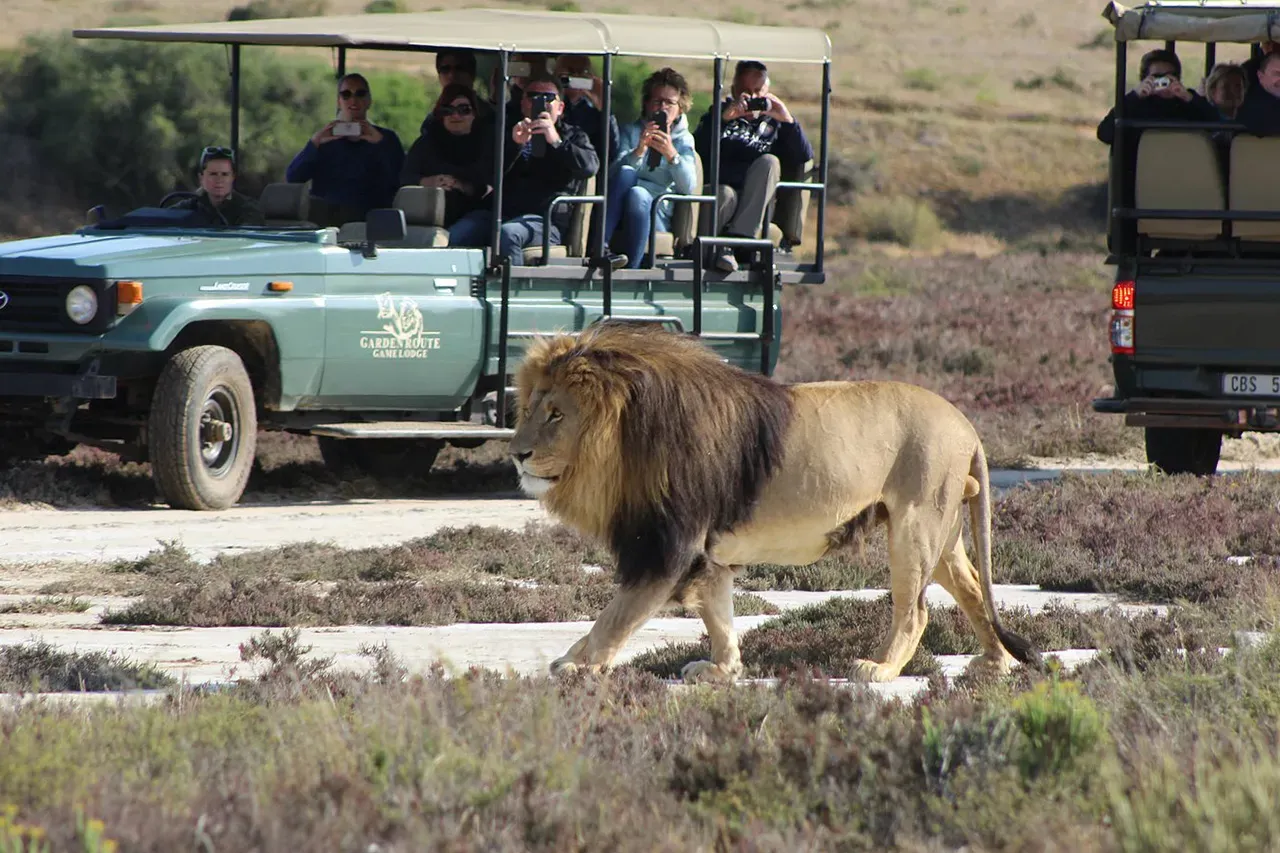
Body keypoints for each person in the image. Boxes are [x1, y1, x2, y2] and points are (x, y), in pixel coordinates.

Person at [448, 71, 599, 263]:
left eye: (548, 97)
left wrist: (556, 142)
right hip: (502, 213)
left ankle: (508, 291)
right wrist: (515, 146)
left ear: (560, 107)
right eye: (533, 96)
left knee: (509, 234)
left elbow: (589, 167)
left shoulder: (573, 136)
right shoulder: (509, 131)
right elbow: (486, 175)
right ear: (523, 103)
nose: (540, 102)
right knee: (457, 234)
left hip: (545, 219)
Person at [693, 59, 813, 272]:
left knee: (770, 161)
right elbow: (699, 149)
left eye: (759, 92)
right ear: (733, 90)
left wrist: (786, 118)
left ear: (768, 92)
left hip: (757, 199)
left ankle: (738, 242)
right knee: (726, 194)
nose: (753, 98)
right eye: (746, 92)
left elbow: (803, 157)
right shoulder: (719, 113)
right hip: (722, 191)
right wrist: (723, 120)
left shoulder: (776, 123)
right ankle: (718, 249)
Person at [1096, 49, 1221, 207]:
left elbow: (1218, 125)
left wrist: (1188, 97)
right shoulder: (1134, 106)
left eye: (1170, 76)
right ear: (1145, 79)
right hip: (1140, 187)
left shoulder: (1189, 104)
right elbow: (1104, 133)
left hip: (1185, 183)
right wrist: (1134, 97)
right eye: (1157, 77)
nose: (1164, 82)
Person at [602, 67, 698, 268]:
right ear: (647, 104)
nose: (662, 107)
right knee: (627, 172)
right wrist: (638, 151)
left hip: (656, 209)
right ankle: (601, 246)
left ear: (680, 108)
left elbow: (688, 187)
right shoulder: (631, 131)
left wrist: (672, 155)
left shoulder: (684, 140)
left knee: (639, 193)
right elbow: (612, 176)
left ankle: (632, 268)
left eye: (669, 103)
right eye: (657, 101)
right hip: (620, 204)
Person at [285, 73, 405, 225]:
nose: (353, 100)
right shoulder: (325, 141)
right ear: (338, 102)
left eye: (360, 94)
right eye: (346, 95)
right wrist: (315, 143)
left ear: (369, 101)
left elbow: (400, 180)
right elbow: (293, 177)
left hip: (369, 220)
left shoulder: (386, 138)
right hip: (326, 221)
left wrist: (380, 143)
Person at [400, 84, 495, 227]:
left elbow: (487, 183)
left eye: (464, 110)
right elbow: (404, 177)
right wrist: (429, 182)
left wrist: (459, 184)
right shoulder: (426, 143)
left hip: (474, 214)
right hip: (428, 218)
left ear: (475, 113)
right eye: (448, 110)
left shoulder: (487, 143)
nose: (455, 115)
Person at [168, 145, 264, 226]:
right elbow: (162, 222)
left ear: (233, 177)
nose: (219, 180)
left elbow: (244, 239)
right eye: (213, 174)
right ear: (201, 177)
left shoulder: (249, 210)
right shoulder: (190, 206)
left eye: (225, 174)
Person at [554, 54, 620, 169]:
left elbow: (610, 154)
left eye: (582, 73)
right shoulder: (551, 108)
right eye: (569, 73)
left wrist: (604, 108)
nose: (575, 77)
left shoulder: (593, 115)